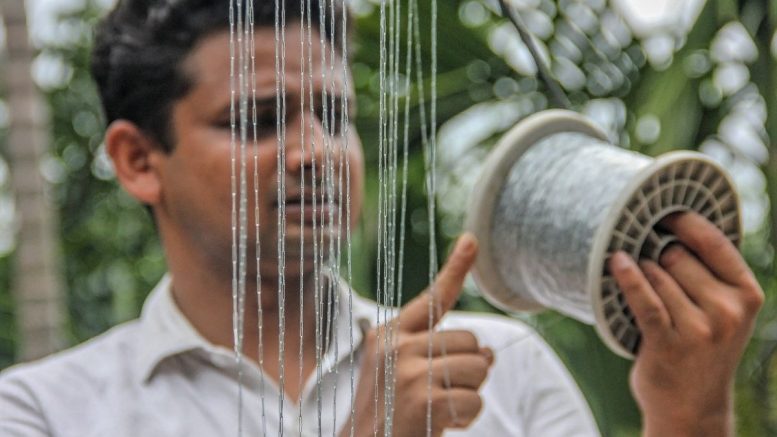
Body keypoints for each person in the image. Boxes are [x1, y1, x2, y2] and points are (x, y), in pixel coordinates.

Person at [0, 1, 764, 436]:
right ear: (138, 159)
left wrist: (688, 410)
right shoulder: (44, 411)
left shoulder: (508, 369)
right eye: (258, 121)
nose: (314, 152)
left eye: (334, 115)